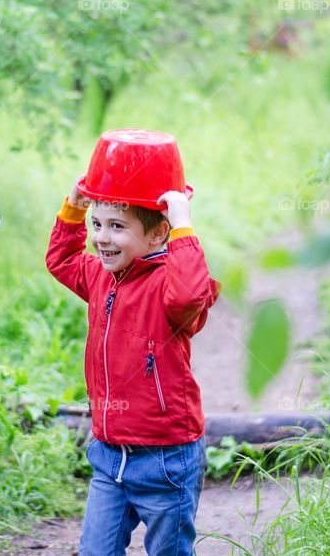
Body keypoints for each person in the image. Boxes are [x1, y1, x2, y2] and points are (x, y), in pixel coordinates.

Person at [45, 181, 220, 556]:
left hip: (166, 457)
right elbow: (61, 260)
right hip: (109, 455)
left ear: (158, 233)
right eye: (97, 224)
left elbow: (192, 293)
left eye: (117, 227)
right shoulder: (99, 276)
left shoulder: (168, 288)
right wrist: (73, 208)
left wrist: (183, 225)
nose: (101, 238)